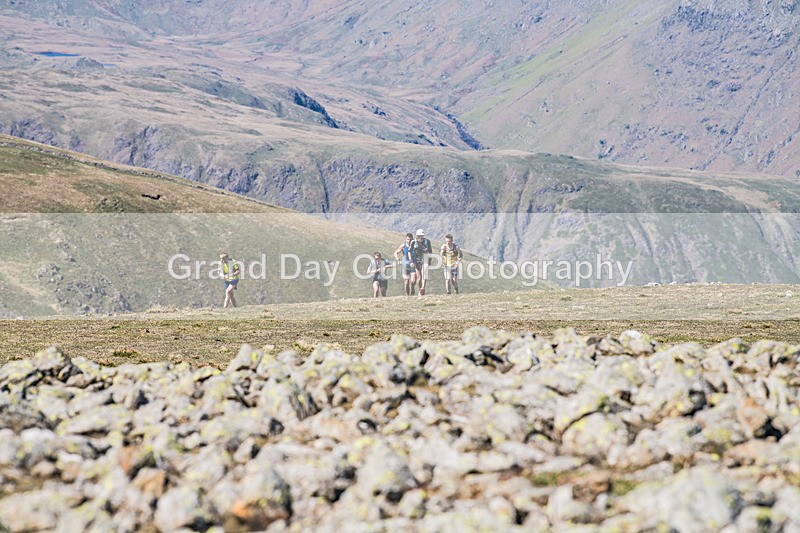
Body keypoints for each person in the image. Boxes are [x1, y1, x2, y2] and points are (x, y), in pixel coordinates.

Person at [410, 229, 433, 296]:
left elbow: (430, 251)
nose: (420, 237)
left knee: (424, 274)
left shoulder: (427, 242)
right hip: (416, 260)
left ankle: (423, 288)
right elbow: (410, 251)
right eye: (419, 236)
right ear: (417, 236)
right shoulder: (413, 242)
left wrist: (430, 260)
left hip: (425, 259)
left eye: (422, 236)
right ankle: (420, 288)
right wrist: (411, 260)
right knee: (419, 277)